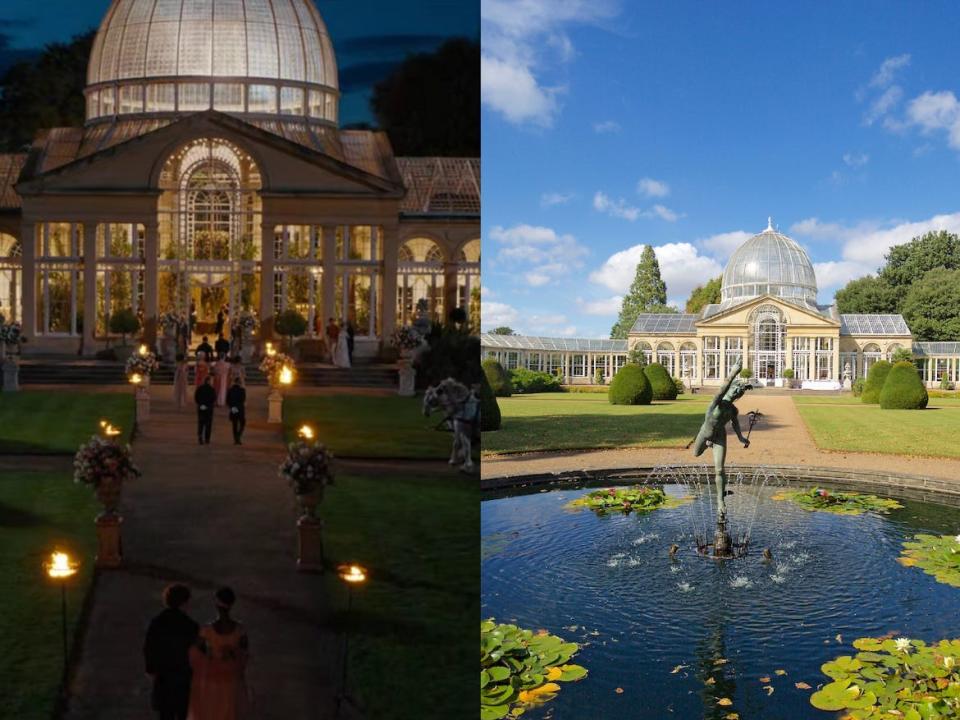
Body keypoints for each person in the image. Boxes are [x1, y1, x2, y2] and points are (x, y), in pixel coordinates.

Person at [187, 587, 251, 720]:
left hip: (212, 678)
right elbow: (245, 655)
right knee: (230, 709)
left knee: (213, 710)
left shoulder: (207, 630)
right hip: (232, 677)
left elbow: (193, 652)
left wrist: (208, 660)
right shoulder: (240, 630)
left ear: (216, 604)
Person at [144, 583, 199, 720]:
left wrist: (150, 668)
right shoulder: (191, 626)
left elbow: (149, 647)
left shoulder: (157, 622)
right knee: (183, 712)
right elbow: (198, 652)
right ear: (185, 603)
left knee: (165, 713)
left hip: (164, 675)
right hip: (183, 676)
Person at [195, 376, 216, 445]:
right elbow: (213, 399)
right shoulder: (212, 389)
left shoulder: (200, 388)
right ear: (208, 381)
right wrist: (207, 405)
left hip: (201, 407)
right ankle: (207, 439)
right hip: (209, 409)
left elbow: (196, 397)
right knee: (208, 424)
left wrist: (201, 404)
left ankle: (200, 437)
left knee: (201, 423)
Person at [226, 378, 246, 445]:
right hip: (240, 409)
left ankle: (235, 438)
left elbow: (228, 400)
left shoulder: (230, 390)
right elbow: (243, 399)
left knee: (234, 424)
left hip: (233, 408)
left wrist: (232, 407)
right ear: (239, 383)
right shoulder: (242, 390)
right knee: (242, 423)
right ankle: (238, 436)